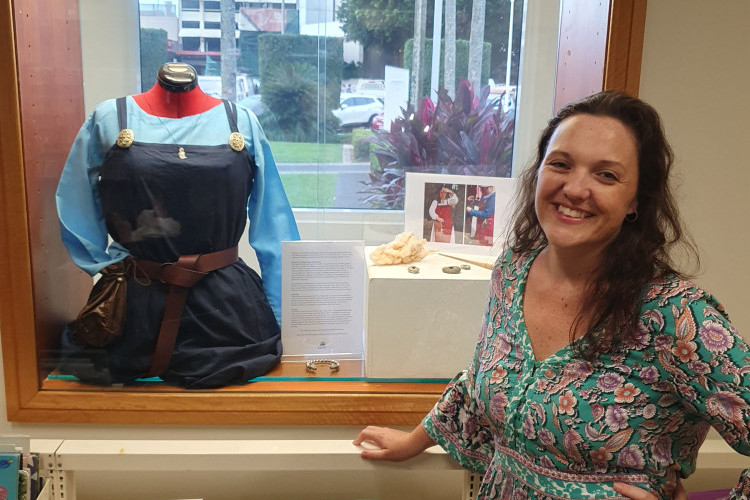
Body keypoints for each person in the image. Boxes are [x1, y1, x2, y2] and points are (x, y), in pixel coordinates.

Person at [354, 90, 750, 499]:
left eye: (606, 175)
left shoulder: (676, 315)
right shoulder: (513, 271)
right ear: (539, 172)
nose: (575, 189)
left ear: (635, 201)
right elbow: (480, 382)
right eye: (560, 164)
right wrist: (414, 440)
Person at [56, 63, 300, 388]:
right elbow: (76, 204)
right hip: (134, 308)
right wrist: (106, 269)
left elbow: (274, 224)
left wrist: (285, 316)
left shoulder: (242, 122)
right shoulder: (108, 119)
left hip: (225, 311)